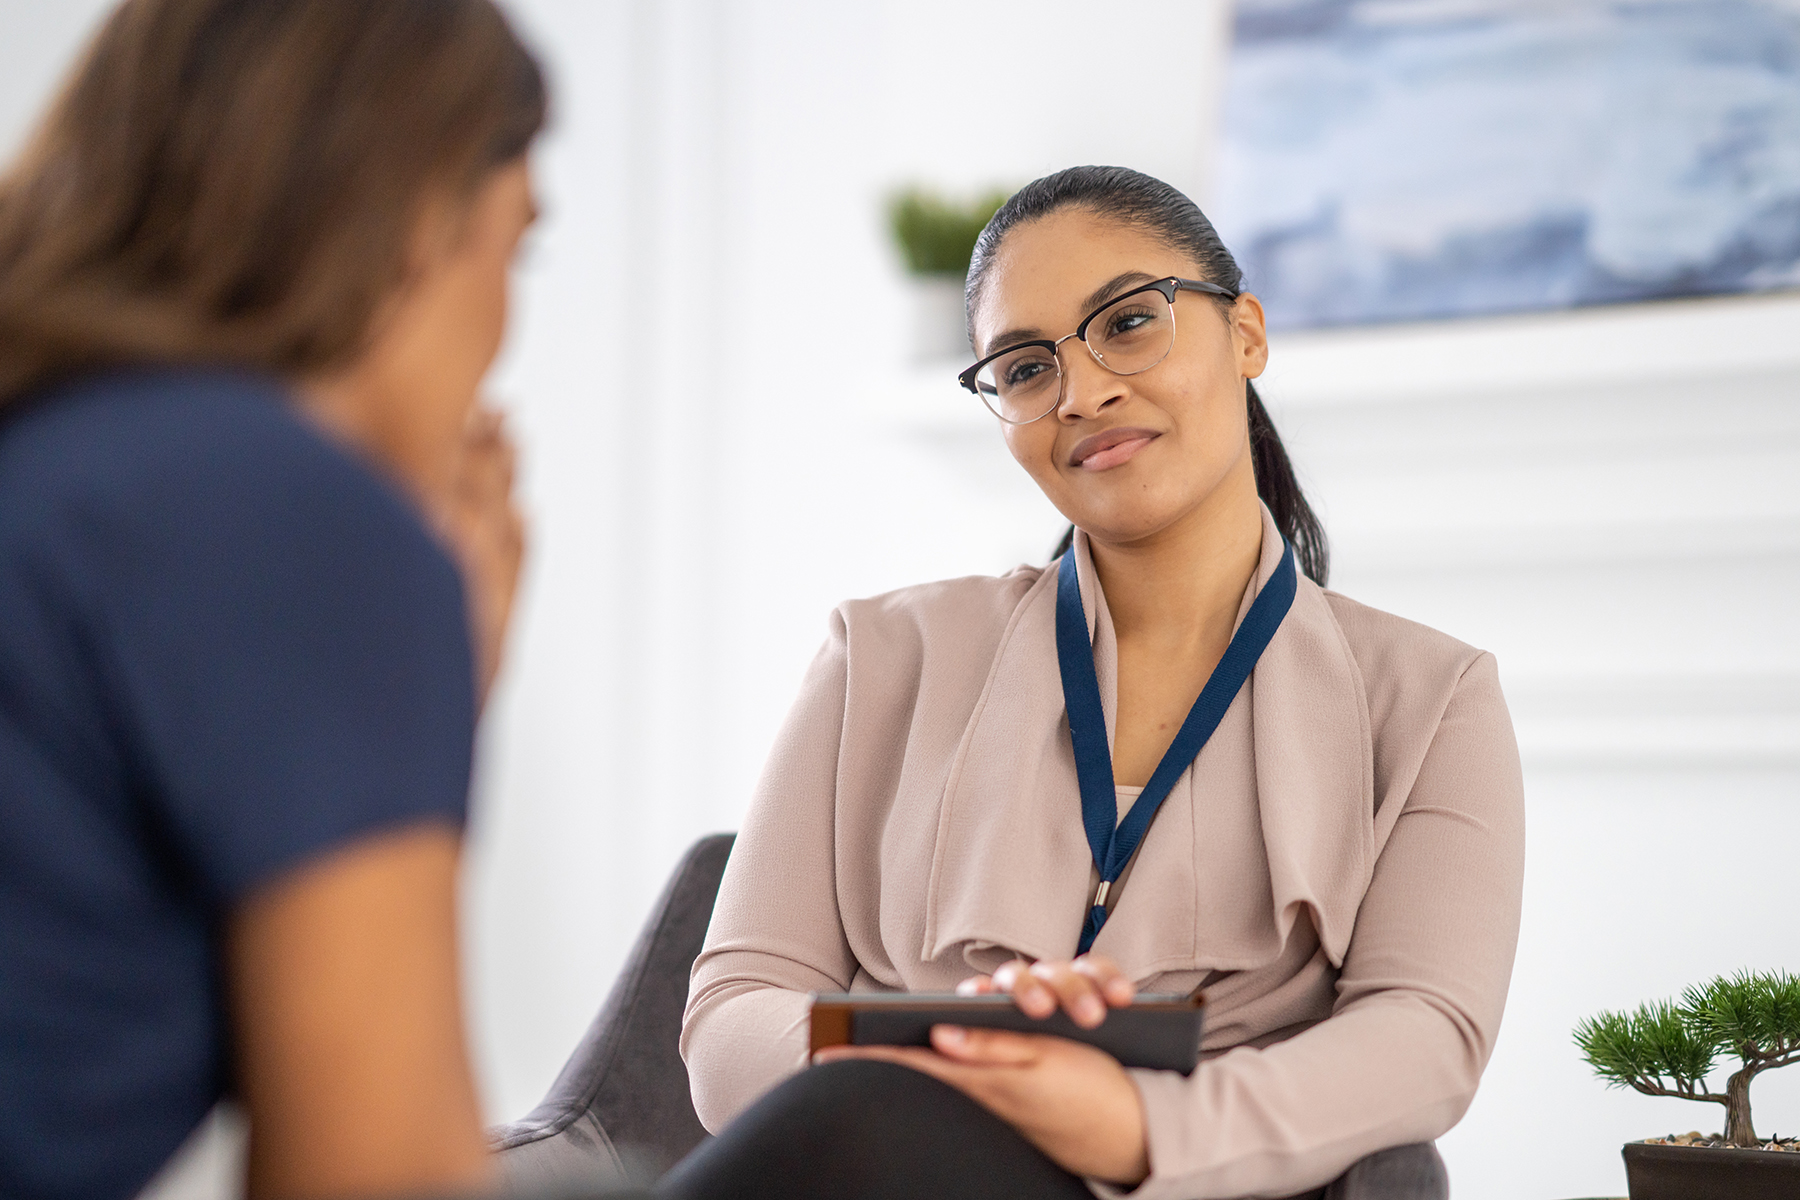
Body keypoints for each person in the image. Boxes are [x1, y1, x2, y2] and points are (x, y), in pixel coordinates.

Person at [672, 167, 1526, 1200]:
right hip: (875, 1151)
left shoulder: (1433, 700)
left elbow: (1426, 1036)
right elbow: (734, 1011)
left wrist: (1133, 1124)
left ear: (1245, 333)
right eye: (1026, 367)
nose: (1082, 392)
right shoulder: (880, 657)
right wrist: (954, 1057)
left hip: (1198, 1180)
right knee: (860, 1118)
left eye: (1127, 323)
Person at [0, 2, 544, 1198]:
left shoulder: (55, 447)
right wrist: (416, 692)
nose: (503, 326)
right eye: (518, 245)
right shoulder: (282, 512)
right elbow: (385, 1176)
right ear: (417, 218)